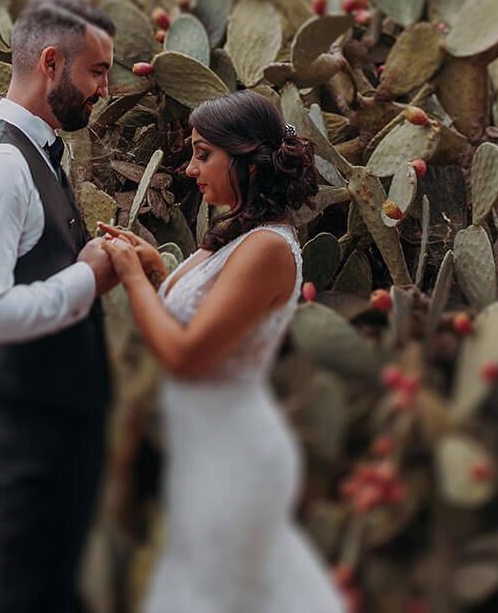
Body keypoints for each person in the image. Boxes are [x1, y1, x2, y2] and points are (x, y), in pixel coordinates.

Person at [98, 89, 346, 613]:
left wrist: (129, 279)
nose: (189, 168)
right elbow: (204, 320)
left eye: (203, 153)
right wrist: (154, 270)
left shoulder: (266, 249)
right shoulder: (238, 237)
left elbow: (185, 356)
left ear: (249, 160)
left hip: (235, 458)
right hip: (206, 450)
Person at [0, 0, 121, 613]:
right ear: (51, 63)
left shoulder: (40, 152)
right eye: (97, 71)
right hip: (28, 442)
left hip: (57, 434)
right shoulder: (1, 166)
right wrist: (87, 279)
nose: (106, 88)